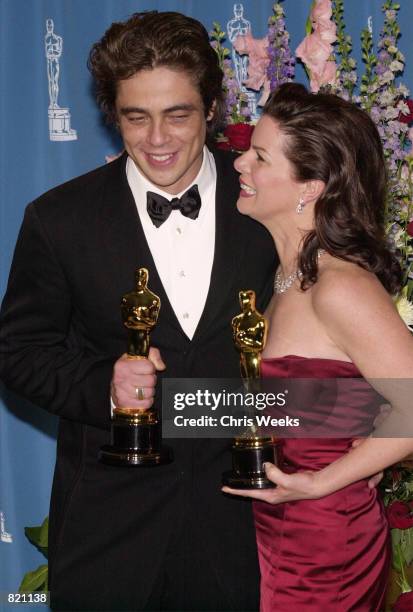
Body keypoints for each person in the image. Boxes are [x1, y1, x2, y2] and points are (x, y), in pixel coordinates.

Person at [0, 11, 277, 611]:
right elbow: (19, 353)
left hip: (246, 536)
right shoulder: (59, 220)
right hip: (109, 537)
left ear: (210, 108)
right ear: (112, 116)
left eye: (177, 114)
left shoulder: (272, 212)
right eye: (136, 117)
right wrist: (105, 386)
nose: (158, 139)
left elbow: (324, 371)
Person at [222, 82, 413, 610]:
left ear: (310, 186)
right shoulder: (284, 280)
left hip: (326, 543)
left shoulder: (340, 286)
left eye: (259, 156)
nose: (239, 164)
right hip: (280, 528)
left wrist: (322, 482)